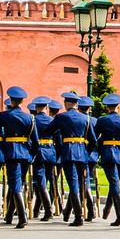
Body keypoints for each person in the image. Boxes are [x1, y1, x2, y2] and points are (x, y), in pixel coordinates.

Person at [0, 87, 37, 228]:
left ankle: (22, 215)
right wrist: (32, 155)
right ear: (22, 101)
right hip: (25, 153)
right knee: (18, 183)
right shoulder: (29, 117)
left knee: (15, 184)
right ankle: (10, 215)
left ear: (11, 101)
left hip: (12, 152)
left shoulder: (4, 115)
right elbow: (35, 141)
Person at [51, 93, 94, 226]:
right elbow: (92, 140)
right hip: (82, 152)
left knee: (73, 183)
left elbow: (49, 131)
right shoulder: (85, 118)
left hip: (68, 152)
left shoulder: (61, 117)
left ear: (66, 104)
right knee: (81, 182)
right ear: (76, 104)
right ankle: (76, 213)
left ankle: (78, 216)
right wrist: (86, 152)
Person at [94, 93, 120, 226]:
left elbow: (95, 137)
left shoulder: (102, 120)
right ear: (118, 106)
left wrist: (98, 153)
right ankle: (107, 210)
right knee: (114, 182)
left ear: (107, 107)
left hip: (109, 154)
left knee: (114, 183)